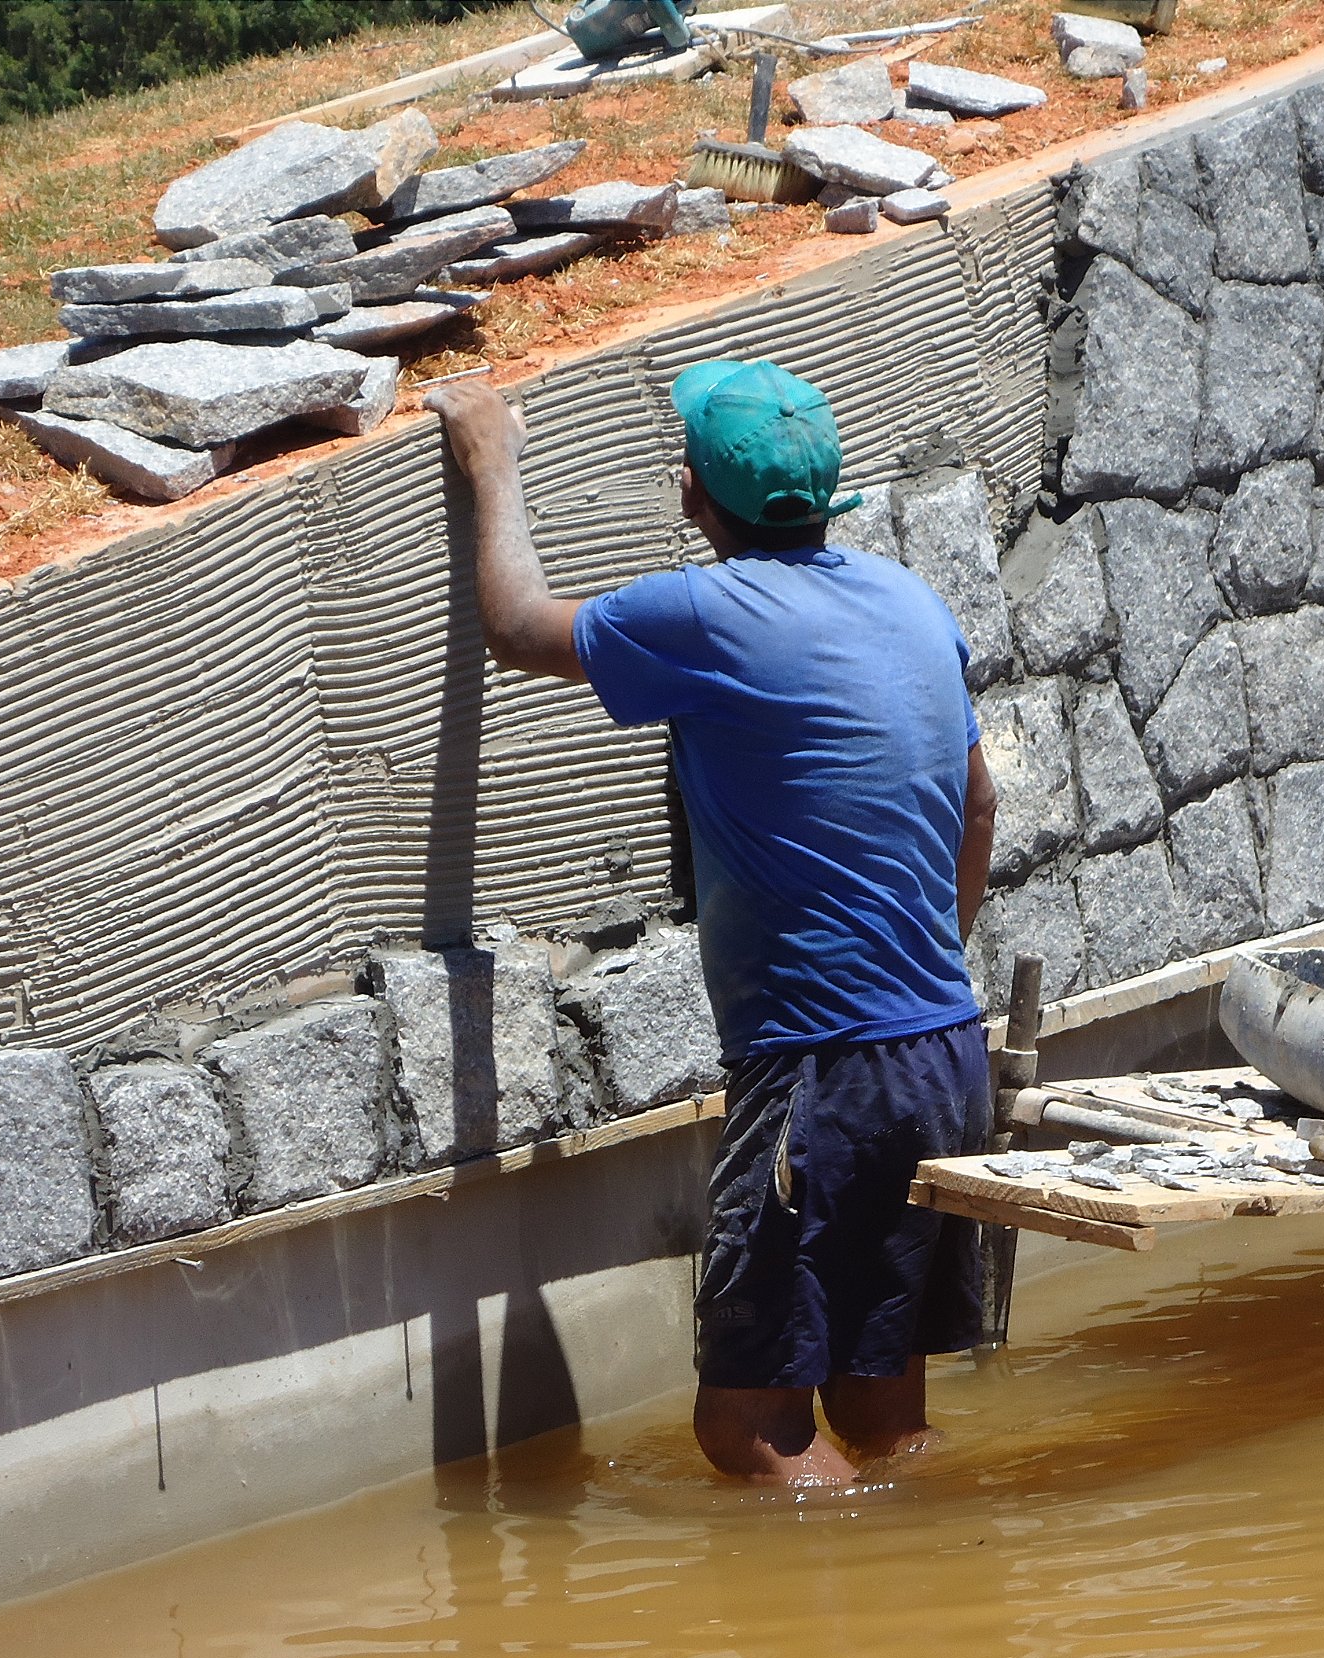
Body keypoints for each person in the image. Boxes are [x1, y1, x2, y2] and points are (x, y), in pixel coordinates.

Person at [426, 360, 1000, 1489]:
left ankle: (857, 1630)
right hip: (943, 1049)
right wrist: (928, 957)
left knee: (750, 1431)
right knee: (881, 1413)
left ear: (693, 494)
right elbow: (980, 802)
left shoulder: (699, 614)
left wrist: (492, 457)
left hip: (819, 1075)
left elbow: (516, 625)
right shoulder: (907, 599)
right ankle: (943, 1609)